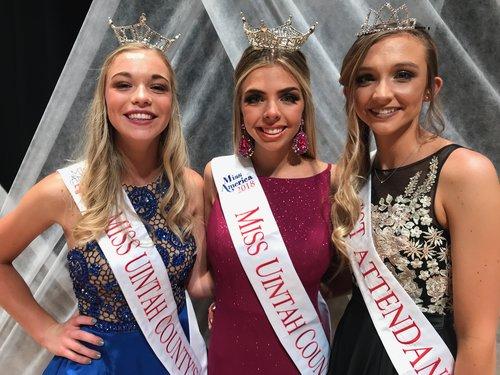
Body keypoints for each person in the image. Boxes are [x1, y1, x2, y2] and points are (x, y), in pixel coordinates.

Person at [0, 14, 209, 374]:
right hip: (100, 364)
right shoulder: (63, 191)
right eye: (124, 85)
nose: (141, 98)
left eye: (157, 87)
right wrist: (47, 330)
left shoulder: (189, 185)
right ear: (104, 99)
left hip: (175, 357)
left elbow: (200, 283)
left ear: (172, 103)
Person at [328, 3, 499, 374]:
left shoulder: (465, 173)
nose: (381, 94)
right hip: (352, 351)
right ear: (350, 92)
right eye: (366, 78)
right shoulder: (349, 177)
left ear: (430, 88)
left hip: (425, 358)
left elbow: (479, 339)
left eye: (402, 75)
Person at [203, 14, 335, 374]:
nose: (271, 113)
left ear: (304, 104)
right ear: (240, 109)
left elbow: (348, 281)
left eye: (288, 97)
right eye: (255, 98)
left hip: (301, 358)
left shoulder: (333, 182)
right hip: (229, 354)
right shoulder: (217, 175)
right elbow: (201, 278)